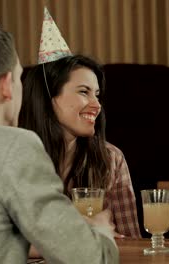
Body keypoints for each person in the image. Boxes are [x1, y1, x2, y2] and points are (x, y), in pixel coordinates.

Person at [0, 25, 118, 263]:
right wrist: (101, 232)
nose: (96, 105)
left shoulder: (110, 157)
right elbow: (90, 257)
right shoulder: (15, 146)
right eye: (19, 78)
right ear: (6, 85)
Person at [19, 54, 142, 239]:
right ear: (48, 97)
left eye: (97, 95)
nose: (97, 105)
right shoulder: (14, 158)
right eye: (84, 92)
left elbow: (132, 242)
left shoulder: (111, 158)